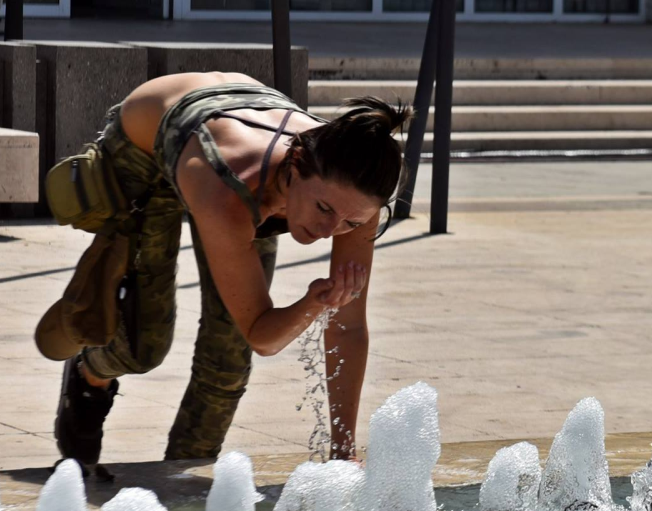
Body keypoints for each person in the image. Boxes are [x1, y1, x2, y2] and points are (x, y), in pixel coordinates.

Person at [42, 72, 409, 479]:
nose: (329, 231)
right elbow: (262, 333)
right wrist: (313, 303)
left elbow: (349, 327)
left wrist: (343, 450)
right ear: (297, 165)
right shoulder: (227, 191)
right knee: (142, 346)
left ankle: (181, 487)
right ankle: (88, 375)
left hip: (245, 154)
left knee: (228, 360)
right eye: (323, 210)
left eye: (349, 222)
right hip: (148, 149)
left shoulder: (353, 195)